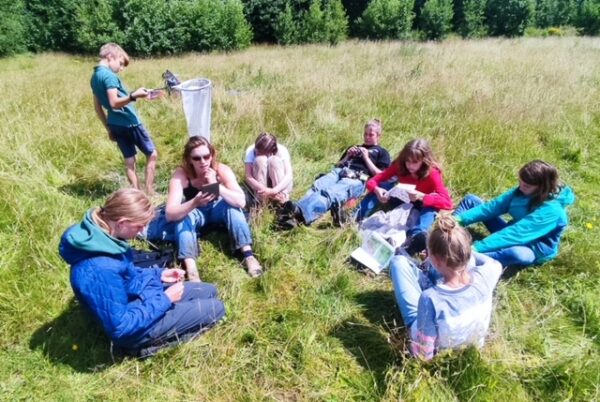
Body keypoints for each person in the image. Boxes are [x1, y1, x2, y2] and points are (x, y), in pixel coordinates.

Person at [59, 189, 225, 356]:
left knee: (209, 291)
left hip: (138, 298)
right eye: (139, 226)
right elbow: (121, 327)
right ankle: (142, 348)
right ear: (122, 222)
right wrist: (166, 299)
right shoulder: (100, 270)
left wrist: (159, 274)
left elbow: (126, 275)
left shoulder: (106, 237)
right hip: (133, 330)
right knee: (216, 309)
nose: (141, 231)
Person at [390, 213, 502, 360]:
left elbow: (424, 353)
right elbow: (493, 263)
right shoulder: (489, 273)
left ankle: (419, 266)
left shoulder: (429, 298)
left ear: (435, 260)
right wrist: (460, 251)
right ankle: (427, 267)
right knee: (451, 266)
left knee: (398, 262)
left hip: (442, 348)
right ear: (467, 251)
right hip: (472, 344)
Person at [165, 136, 263, 280]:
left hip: (218, 208)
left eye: (206, 156)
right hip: (196, 211)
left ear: (211, 155)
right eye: (197, 158)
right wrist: (194, 203)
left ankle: (248, 255)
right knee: (182, 219)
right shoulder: (182, 174)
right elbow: (169, 213)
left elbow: (241, 202)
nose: (203, 161)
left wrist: (216, 186)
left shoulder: (221, 170)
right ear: (189, 160)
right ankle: (191, 270)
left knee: (232, 208)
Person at [454, 160, 575, 268]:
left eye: (526, 186)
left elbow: (518, 233)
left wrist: (477, 248)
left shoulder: (552, 210)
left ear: (542, 187)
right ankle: (449, 228)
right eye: (520, 182)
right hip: (511, 231)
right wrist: (458, 219)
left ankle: (467, 258)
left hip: (532, 247)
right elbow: (493, 207)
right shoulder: (523, 191)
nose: (520, 187)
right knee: (472, 200)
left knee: (515, 254)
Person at [282, 119, 391, 227]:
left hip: (357, 178)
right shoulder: (355, 147)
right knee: (317, 187)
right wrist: (348, 156)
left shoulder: (381, 152)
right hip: (339, 172)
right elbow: (338, 165)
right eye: (365, 134)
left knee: (331, 193)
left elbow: (380, 175)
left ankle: (300, 213)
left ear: (378, 136)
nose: (367, 137)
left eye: (371, 135)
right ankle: (294, 213)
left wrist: (366, 158)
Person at [358, 139, 453, 255]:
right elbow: (374, 180)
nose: (410, 166)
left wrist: (422, 197)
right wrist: (377, 190)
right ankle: (358, 215)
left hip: (421, 203)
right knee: (383, 186)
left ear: (424, 160)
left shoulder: (433, 173)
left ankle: (415, 238)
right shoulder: (400, 165)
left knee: (430, 208)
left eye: (415, 162)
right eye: (407, 161)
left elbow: (447, 202)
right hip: (402, 197)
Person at [91, 43, 158, 195]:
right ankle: (149, 191)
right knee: (152, 154)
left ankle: (137, 194)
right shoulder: (109, 76)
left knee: (129, 160)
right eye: (120, 63)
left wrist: (108, 128)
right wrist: (133, 96)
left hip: (114, 124)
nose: (121, 68)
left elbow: (98, 107)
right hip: (130, 122)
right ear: (110, 57)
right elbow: (114, 102)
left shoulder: (94, 77)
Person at [244, 132, 293, 205]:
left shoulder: (282, 150)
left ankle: (281, 199)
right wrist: (262, 189)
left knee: (273, 160)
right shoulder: (251, 150)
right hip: (260, 185)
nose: (256, 154)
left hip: (280, 184)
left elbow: (288, 175)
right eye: (257, 152)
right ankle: (261, 199)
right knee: (259, 160)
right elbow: (248, 176)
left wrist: (274, 190)